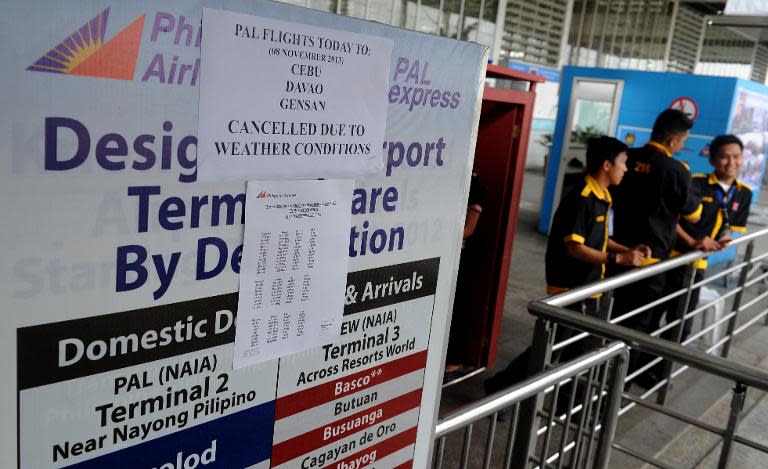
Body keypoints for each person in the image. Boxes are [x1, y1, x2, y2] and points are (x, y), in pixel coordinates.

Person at [484, 136, 648, 394]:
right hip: (571, 287)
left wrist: (627, 250)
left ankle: (544, 398)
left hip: (589, 285)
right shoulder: (582, 197)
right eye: (623, 162)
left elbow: (601, 239)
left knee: (573, 348)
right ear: (607, 165)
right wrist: (617, 259)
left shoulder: (603, 195)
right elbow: (575, 247)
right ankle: (503, 389)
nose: (626, 169)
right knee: (555, 347)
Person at [610, 109, 702, 384]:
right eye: (684, 140)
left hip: (618, 254)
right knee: (639, 326)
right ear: (673, 140)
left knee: (616, 317)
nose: (683, 145)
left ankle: (604, 375)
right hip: (651, 261)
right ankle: (618, 385)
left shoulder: (626, 158)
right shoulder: (676, 170)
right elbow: (694, 215)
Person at [663, 135, 753, 343]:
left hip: (697, 266)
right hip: (672, 259)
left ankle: (657, 374)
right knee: (652, 317)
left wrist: (725, 237)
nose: (731, 163)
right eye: (724, 157)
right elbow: (670, 219)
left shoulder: (743, 193)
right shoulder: (695, 184)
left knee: (680, 326)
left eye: (736, 157)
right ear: (712, 160)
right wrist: (692, 241)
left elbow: (731, 227)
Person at [444, 171, 487, 381]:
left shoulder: (474, 184)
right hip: (437, 253)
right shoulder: (442, 174)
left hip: (456, 257)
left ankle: (452, 364)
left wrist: (434, 233)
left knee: (456, 309)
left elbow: (468, 228)